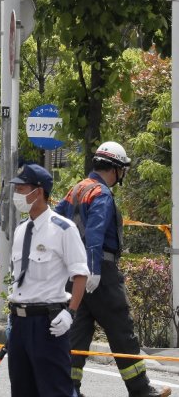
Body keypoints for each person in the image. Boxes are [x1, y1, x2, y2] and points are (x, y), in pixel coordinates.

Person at [55, 142, 170, 397]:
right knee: (121, 329)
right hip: (101, 274)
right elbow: (95, 234)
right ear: (117, 169)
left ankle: (68, 389)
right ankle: (140, 389)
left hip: (73, 274)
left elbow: (55, 221)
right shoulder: (101, 193)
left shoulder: (75, 190)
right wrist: (94, 270)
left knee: (77, 332)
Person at [7, 164, 89, 397]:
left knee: (55, 391)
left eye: (22, 189)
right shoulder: (22, 229)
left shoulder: (63, 229)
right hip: (20, 323)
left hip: (48, 323)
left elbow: (80, 274)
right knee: (22, 390)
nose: (17, 195)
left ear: (39, 192)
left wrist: (70, 313)